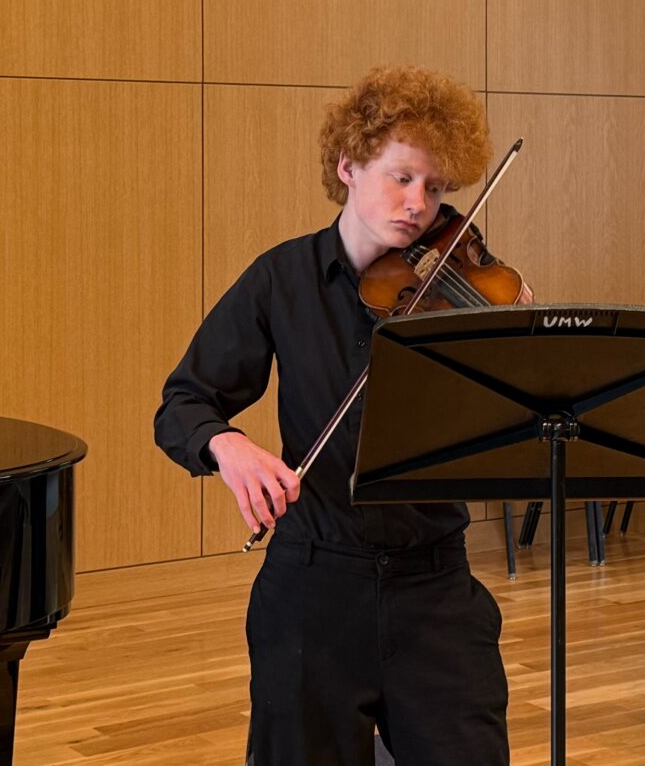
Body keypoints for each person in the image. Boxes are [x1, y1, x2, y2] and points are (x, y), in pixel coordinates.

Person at [154, 65, 528, 766]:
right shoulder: (280, 280)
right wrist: (226, 445)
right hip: (313, 583)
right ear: (348, 167)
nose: (418, 204)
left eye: (437, 188)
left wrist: (521, 341)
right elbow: (184, 402)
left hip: (436, 585)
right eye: (401, 177)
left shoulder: (461, 293)